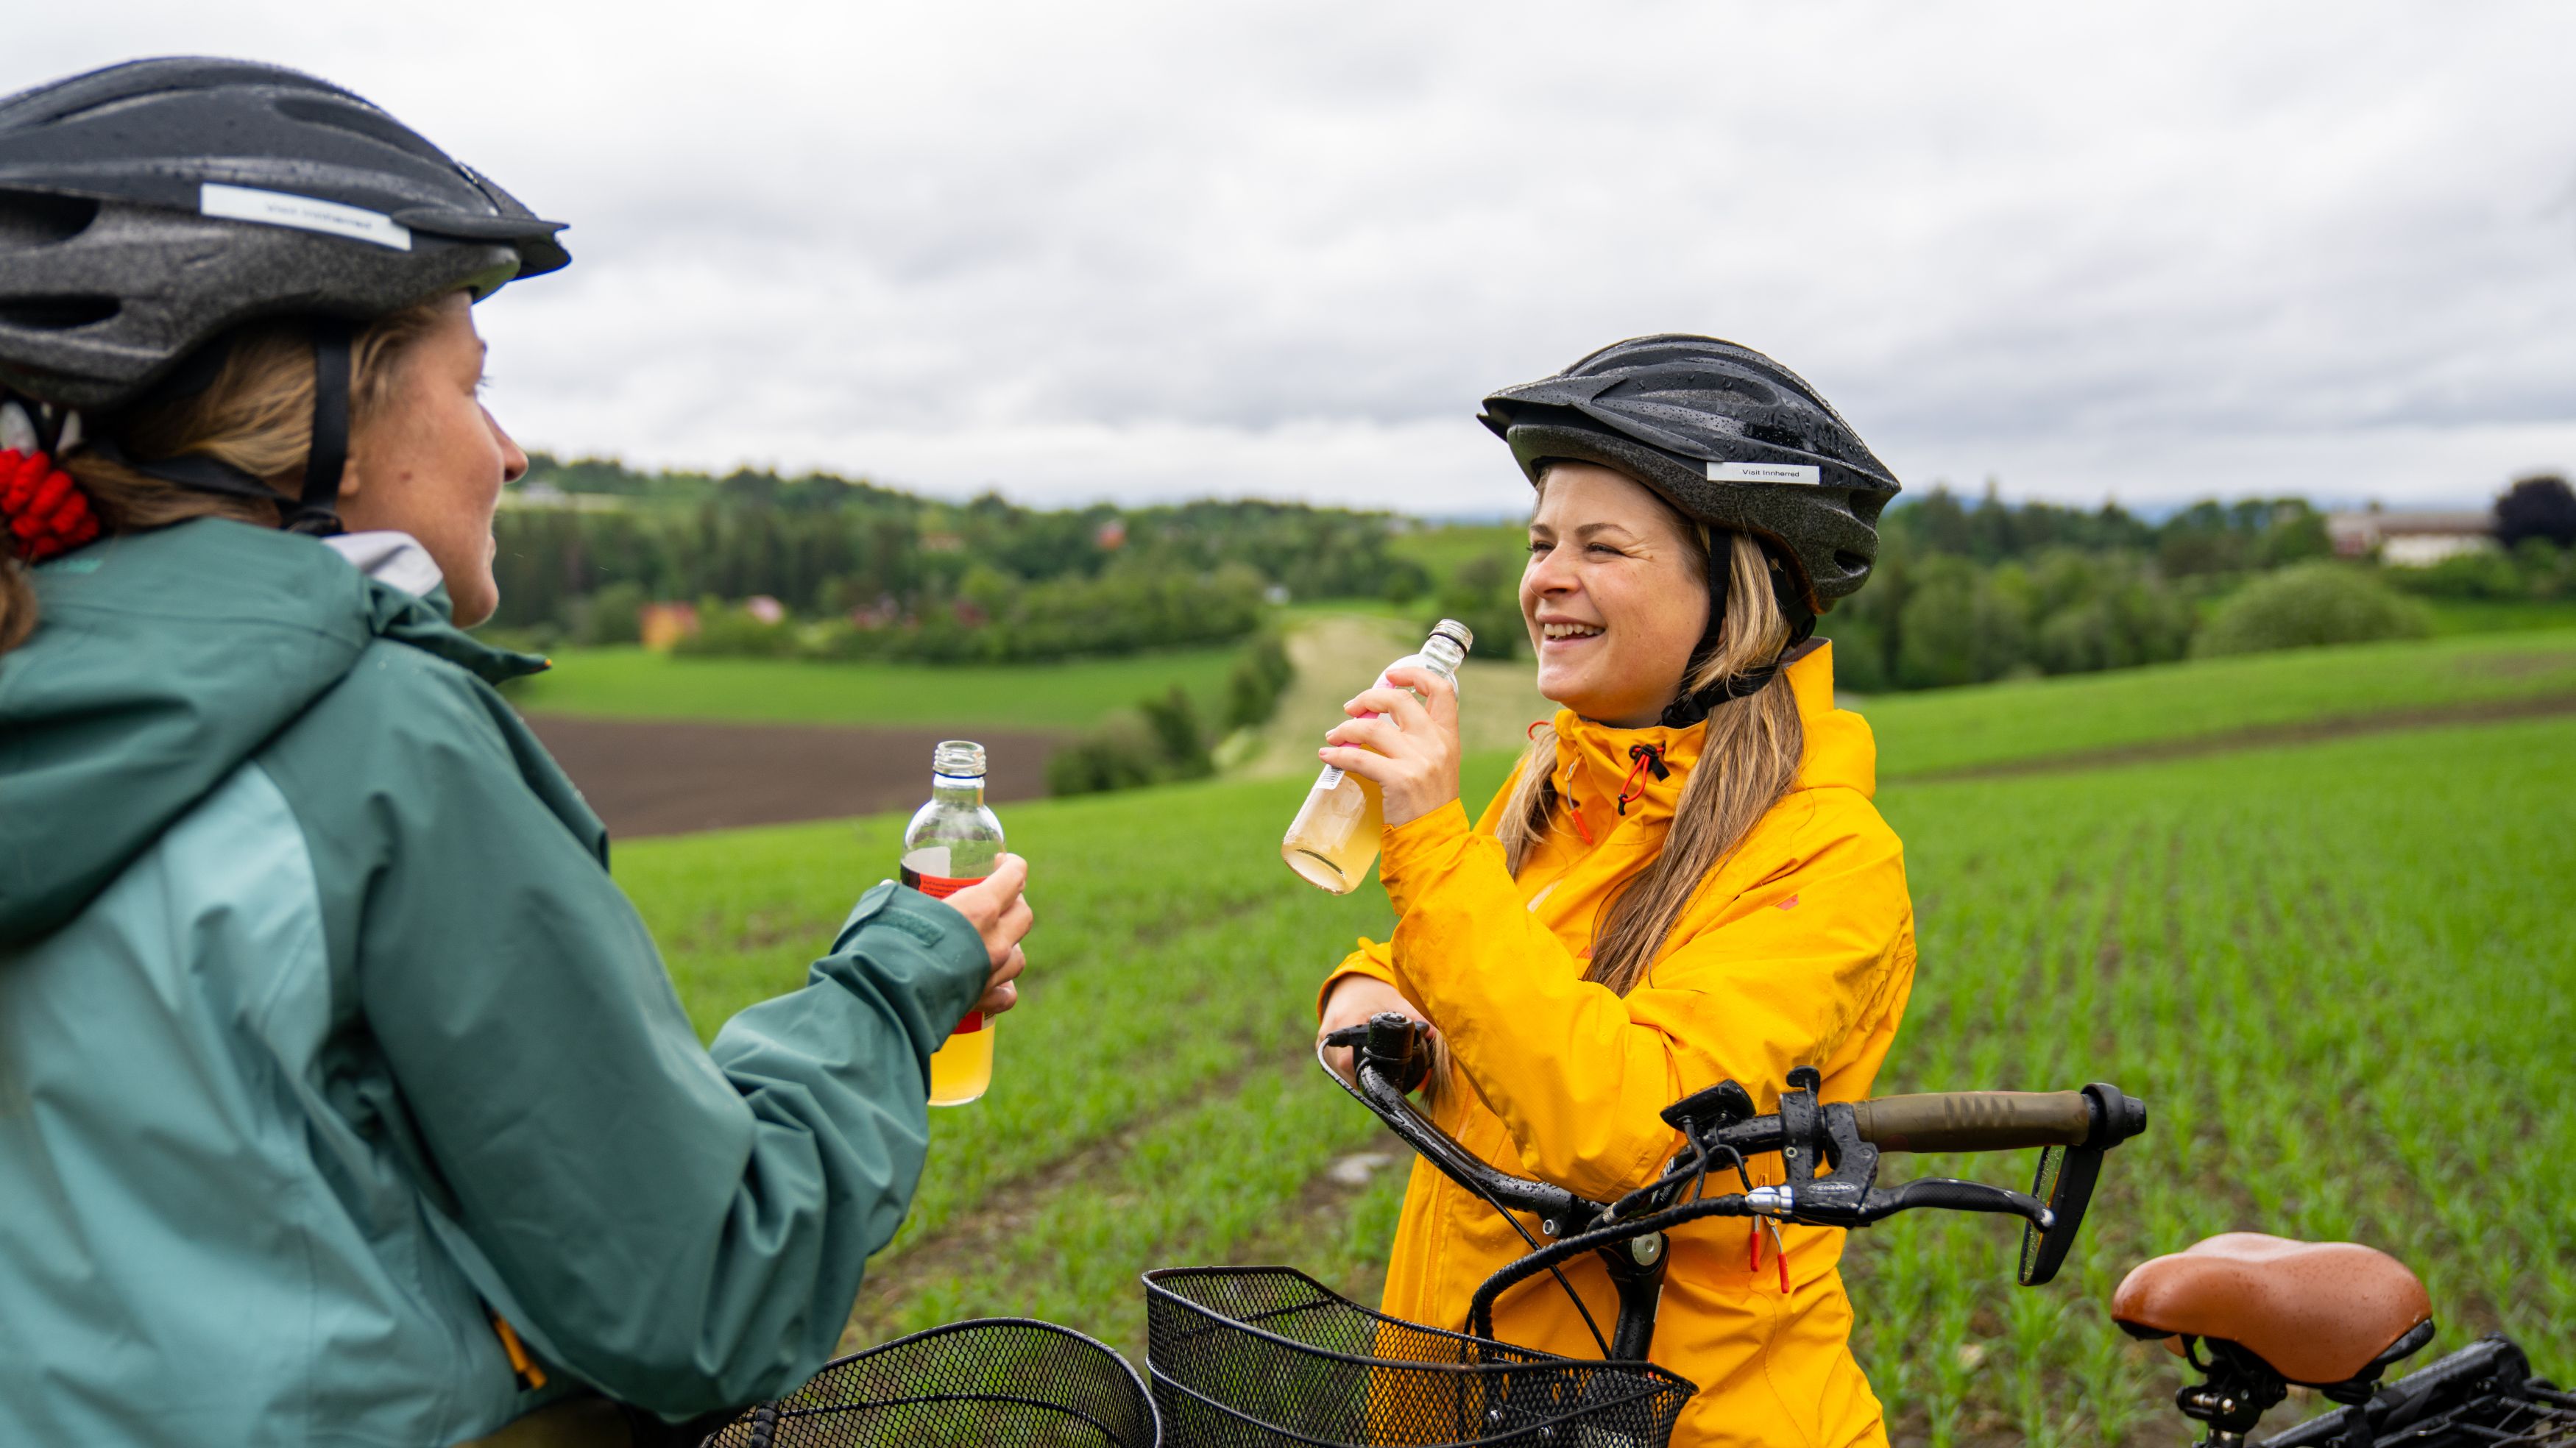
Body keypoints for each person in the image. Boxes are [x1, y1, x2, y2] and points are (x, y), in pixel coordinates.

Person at [0, 60, 1030, 1447]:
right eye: (474, 384)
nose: (513, 449)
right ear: (324, 415)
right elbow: (708, 1292)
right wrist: (902, 975)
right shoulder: (371, 737)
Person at [1316, 336, 1915, 1447]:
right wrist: (1363, 993)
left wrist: (1429, 843)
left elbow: (1630, 1127)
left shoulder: (1826, 859)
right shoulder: (1564, 779)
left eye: (1604, 546)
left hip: (1686, 1423)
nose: (1547, 579)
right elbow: (1484, 964)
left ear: (1734, 588)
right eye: (1543, 542)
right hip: (1488, 1403)